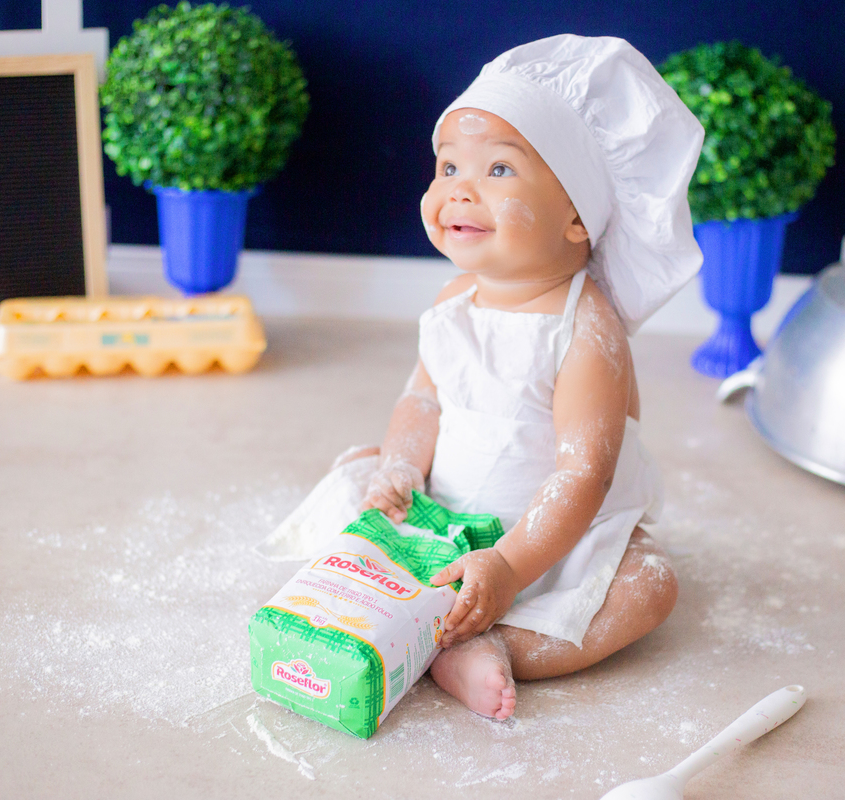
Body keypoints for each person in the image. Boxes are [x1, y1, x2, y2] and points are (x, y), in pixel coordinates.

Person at [290, 34, 703, 720]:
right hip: (440, 515)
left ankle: (486, 639)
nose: (459, 188)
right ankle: (404, 607)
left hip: (540, 540)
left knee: (646, 585)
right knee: (359, 472)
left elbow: (583, 474)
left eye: (500, 170)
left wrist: (510, 569)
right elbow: (423, 397)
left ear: (579, 216)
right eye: (448, 165)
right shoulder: (454, 302)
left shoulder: (585, 330)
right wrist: (399, 471)